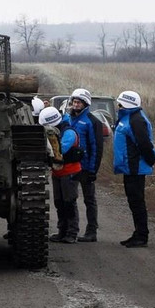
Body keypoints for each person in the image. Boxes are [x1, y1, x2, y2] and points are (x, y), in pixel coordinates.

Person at [112, 90, 155, 247]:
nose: (118, 106)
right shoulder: (128, 117)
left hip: (135, 168)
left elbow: (144, 144)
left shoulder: (136, 120)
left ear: (126, 104)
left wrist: (151, 160)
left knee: (137, 202)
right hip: (129, 168)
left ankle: (142, 235)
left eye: (120, 103)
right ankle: (138, 233)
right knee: (133, 202)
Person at [39, 106, 82, 244]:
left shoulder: (68, 133)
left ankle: (72, 232)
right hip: (58, 172)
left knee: (69, 202)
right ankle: (62, 230)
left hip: (69, 172)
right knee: (59, 202)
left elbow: (60, 151)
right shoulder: (58, 131)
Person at [68, 88, 102, 243]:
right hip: (71, 166)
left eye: (78, 102)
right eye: (74, 102)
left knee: (89, 200)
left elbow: (96, 147)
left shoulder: (92, 121)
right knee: (70, 198)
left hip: (86, 167)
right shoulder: (68, 119)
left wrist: (93, 169)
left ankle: (91, 231)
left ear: (85, 104)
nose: (75, 105)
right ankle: (70, 230)